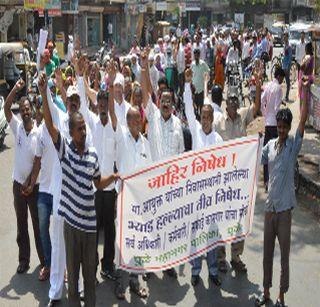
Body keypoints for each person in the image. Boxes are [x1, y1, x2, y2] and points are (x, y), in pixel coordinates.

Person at [38, 72, 118, 307]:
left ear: (80, 103)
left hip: (82, 207)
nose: (73, 102)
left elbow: (93, 168)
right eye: (69, 98)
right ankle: (55, 293)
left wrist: (111, 177)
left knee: (84, 258)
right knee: (59, 247)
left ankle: (82, 290)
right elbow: (48, 117)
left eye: (76, 99)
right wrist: (44, 92)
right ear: (66, 101)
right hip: (59, 198)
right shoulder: (62, 120)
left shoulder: (85, 127)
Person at [255, 100, 309, 307]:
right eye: (279, 127)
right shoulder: (269, 146)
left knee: (284, 259)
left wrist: (304, 91)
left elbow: (303, 121)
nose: (282, 130)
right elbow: (255, 159)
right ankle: (266, 292)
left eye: (285, 127)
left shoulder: (293, 147)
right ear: (276, 126)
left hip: (285, 212)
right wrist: (255, 142)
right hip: (270, 210)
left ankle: (281, 296)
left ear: (289, 127)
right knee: (267, 255)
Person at [141, 48, 184, 278]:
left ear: (173, 104)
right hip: (153, 183)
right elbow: (147, 89)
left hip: (172, 186)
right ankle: (149, 264)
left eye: (168, 100)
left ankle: (167, 263)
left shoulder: (178, 124)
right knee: (151, 227)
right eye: (163, 100)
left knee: (168, 227)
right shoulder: (153, 116)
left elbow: (183, 155)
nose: (165, 103)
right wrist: (145, 66)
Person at [215, 66, 262, 274]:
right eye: (230, 99)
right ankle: (221, 257)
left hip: (240, 180)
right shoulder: (218, 123)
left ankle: (236, 256)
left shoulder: (244, 116)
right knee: (222, 220)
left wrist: (258, 86)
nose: (234, 102)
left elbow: (256, 106)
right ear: (226, 104)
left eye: (236, 99)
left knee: (238, 220)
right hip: (223, 180)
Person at [78, 62, 118, 281]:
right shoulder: (91, 122)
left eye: (105, 102)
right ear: (97, 104)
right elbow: (83, 105)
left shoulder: (114, 124)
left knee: (109, 232)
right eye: (100, 102)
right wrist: (79, 74)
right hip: (93, 188)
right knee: (93, 231)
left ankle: (108, 265)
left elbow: (113, 109)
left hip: (110, 187)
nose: (102, 105)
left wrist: (110, 82)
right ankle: (91, 267)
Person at [183, 70, 223, 287]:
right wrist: (188, 83)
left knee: (212, 236)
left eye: (209, 117)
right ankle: (196, 270)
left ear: (212, 119)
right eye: (203, 117)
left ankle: (214, 271)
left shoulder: (218, 139)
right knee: (196, 235)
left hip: (213, 197)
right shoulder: (196, 131)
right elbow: (188, 108)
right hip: (197, 196)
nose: (206, 120)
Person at [4, 79, 45, 275]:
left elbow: (38, 162)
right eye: (22, 109)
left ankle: (45, 261)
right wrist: (16, 89)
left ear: (31, 110)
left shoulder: (38, 132)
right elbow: (5, 107)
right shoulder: (18, 127)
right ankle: (24, 260)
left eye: (28, 108)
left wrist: (30, 183)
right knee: (22, 225)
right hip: (17, 185)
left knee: (38, 226)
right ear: (20, 112)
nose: (26, 112)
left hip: (34, 187)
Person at [261, 67, 286, 192]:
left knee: (266, 153)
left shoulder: (268, 86)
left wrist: (265, 113)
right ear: (279, 77)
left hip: (267, 123)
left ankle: (266, 180)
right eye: (282, 78)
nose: (282, 80)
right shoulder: (279, 88)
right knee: (276, 153)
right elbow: (276, 108)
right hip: (275, 124)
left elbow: (262, 100)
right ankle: (274, 180)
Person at [191, 48, 210, 120]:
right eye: (195, 55)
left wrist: (207, 81)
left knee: (201, 106)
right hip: (194, 89)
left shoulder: (203, 64)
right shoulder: (192, 64)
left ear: (199, 55)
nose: (196, 56)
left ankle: (202, 119)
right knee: (194, 106)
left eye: (197, 55)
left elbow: (208, 71)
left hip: (201, 89)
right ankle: (196, 119)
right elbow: (191, 74)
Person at [298, 42, 314, 110]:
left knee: (303, 100)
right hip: (309, 80)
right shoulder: (312, 57)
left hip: (305, 80)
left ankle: (302, 115)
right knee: (307, 101)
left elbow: (301, 67)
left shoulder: (307, 57)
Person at [282, 32, 292, 102]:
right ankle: (284, 96)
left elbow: (290, 58)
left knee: (287, 82)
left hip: (286, 66)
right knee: (283, 81)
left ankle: (287, 96)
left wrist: (288, 67)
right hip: (283, 65)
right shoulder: (284, 45)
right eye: (283, 37)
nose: (284, 38)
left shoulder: (289, 46)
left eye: (285, 37)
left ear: (287, 37)